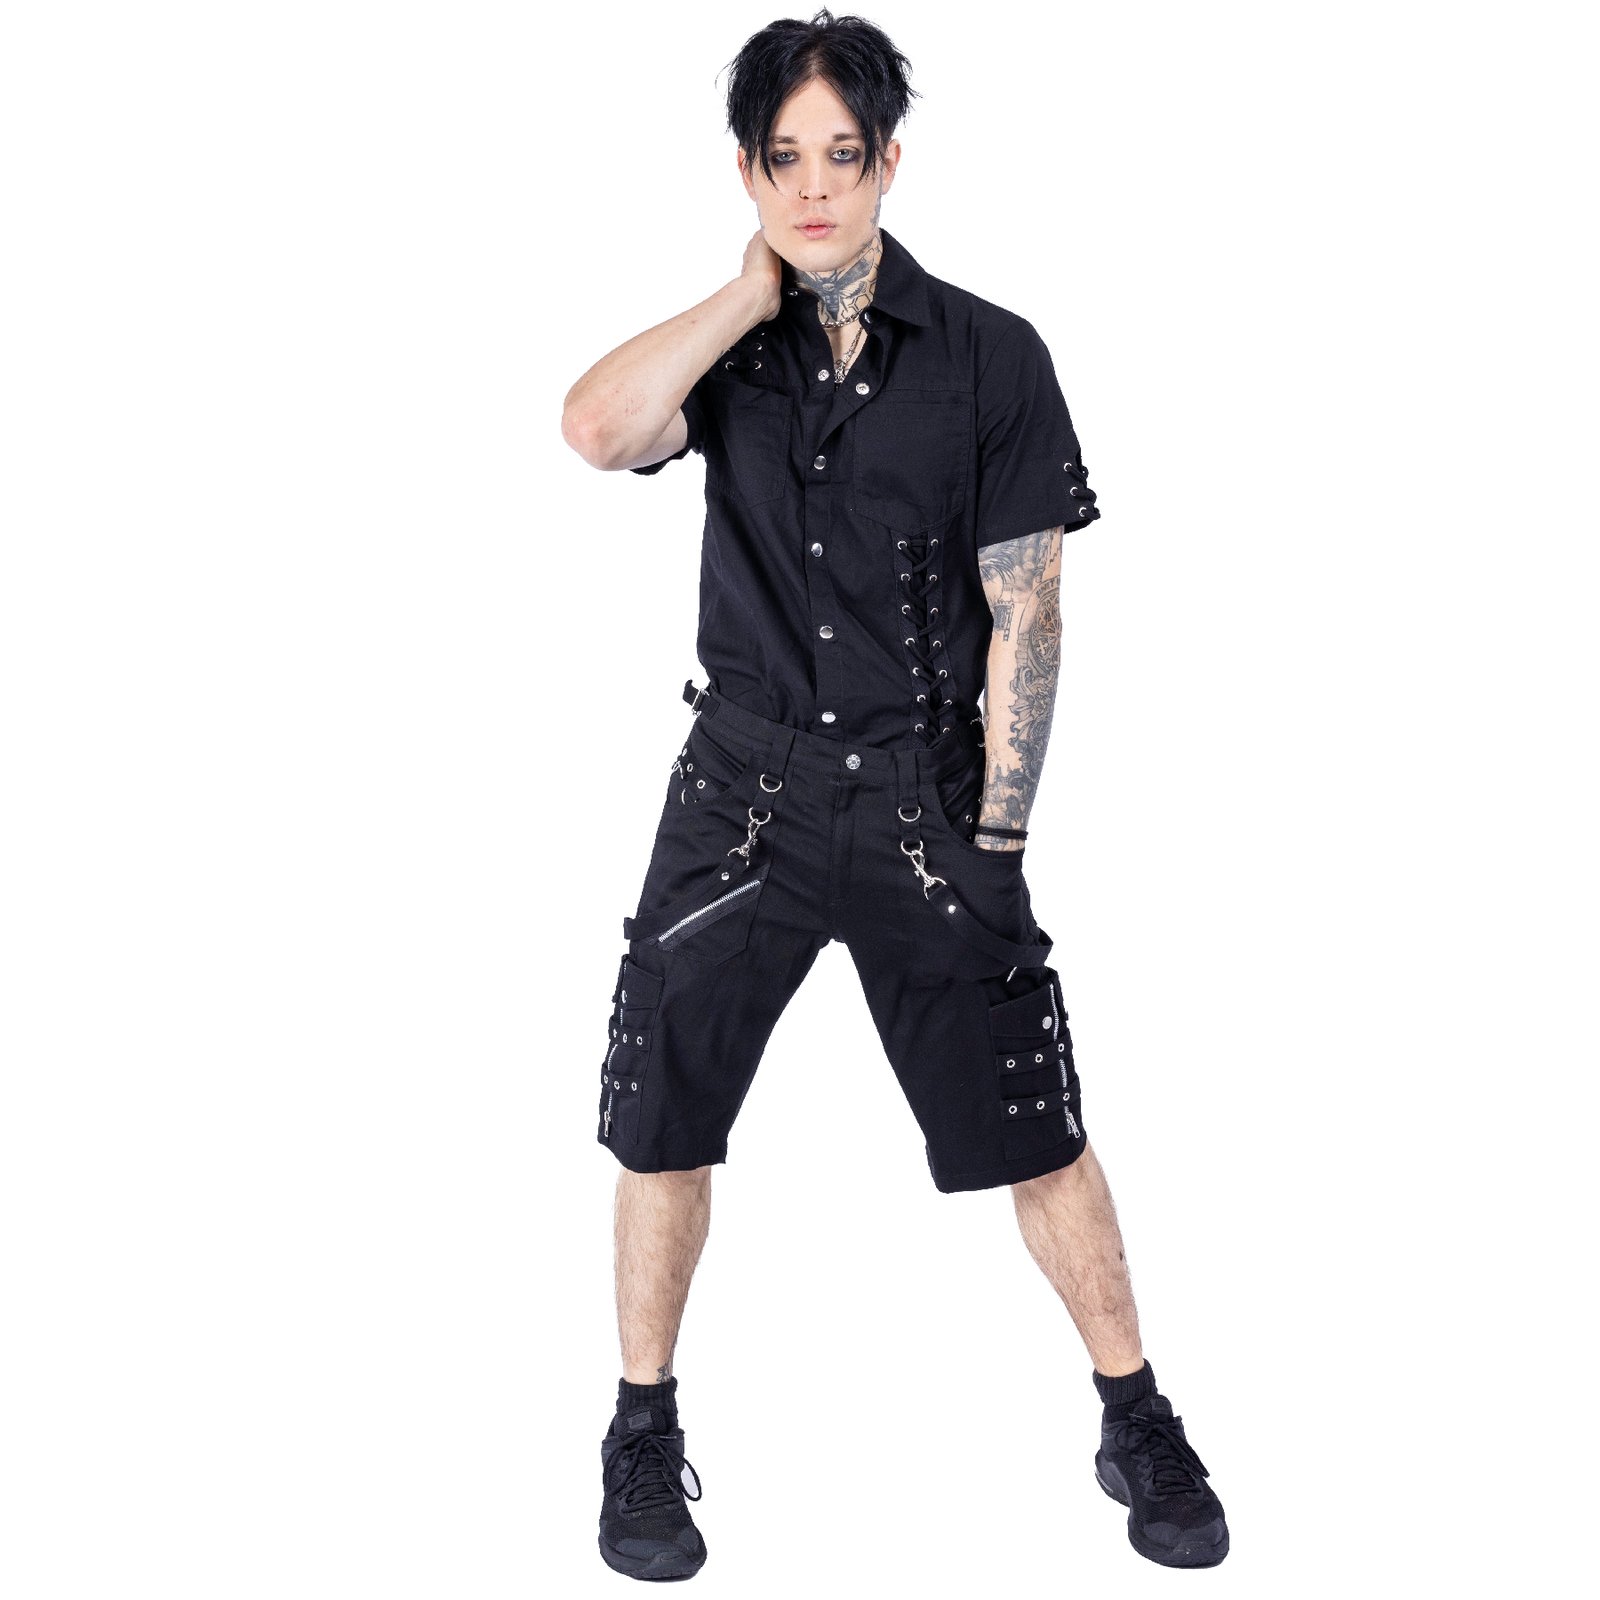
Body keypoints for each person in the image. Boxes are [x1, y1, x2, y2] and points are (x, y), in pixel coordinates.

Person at [562, 8, 1228, 1579]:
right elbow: (596, 430)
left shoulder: (993, 353)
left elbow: (1029, 611)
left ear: (888, 165)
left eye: (841, 157)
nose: (814, 187)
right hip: (741, 795)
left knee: (1038, 1126)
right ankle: (641, 1427)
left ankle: (1134, 1410)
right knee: (661, 1118)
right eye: (783, 159)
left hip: (930, 801)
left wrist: (997, 834)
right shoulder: (730, 352)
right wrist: (745, 295)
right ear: (748, 172)